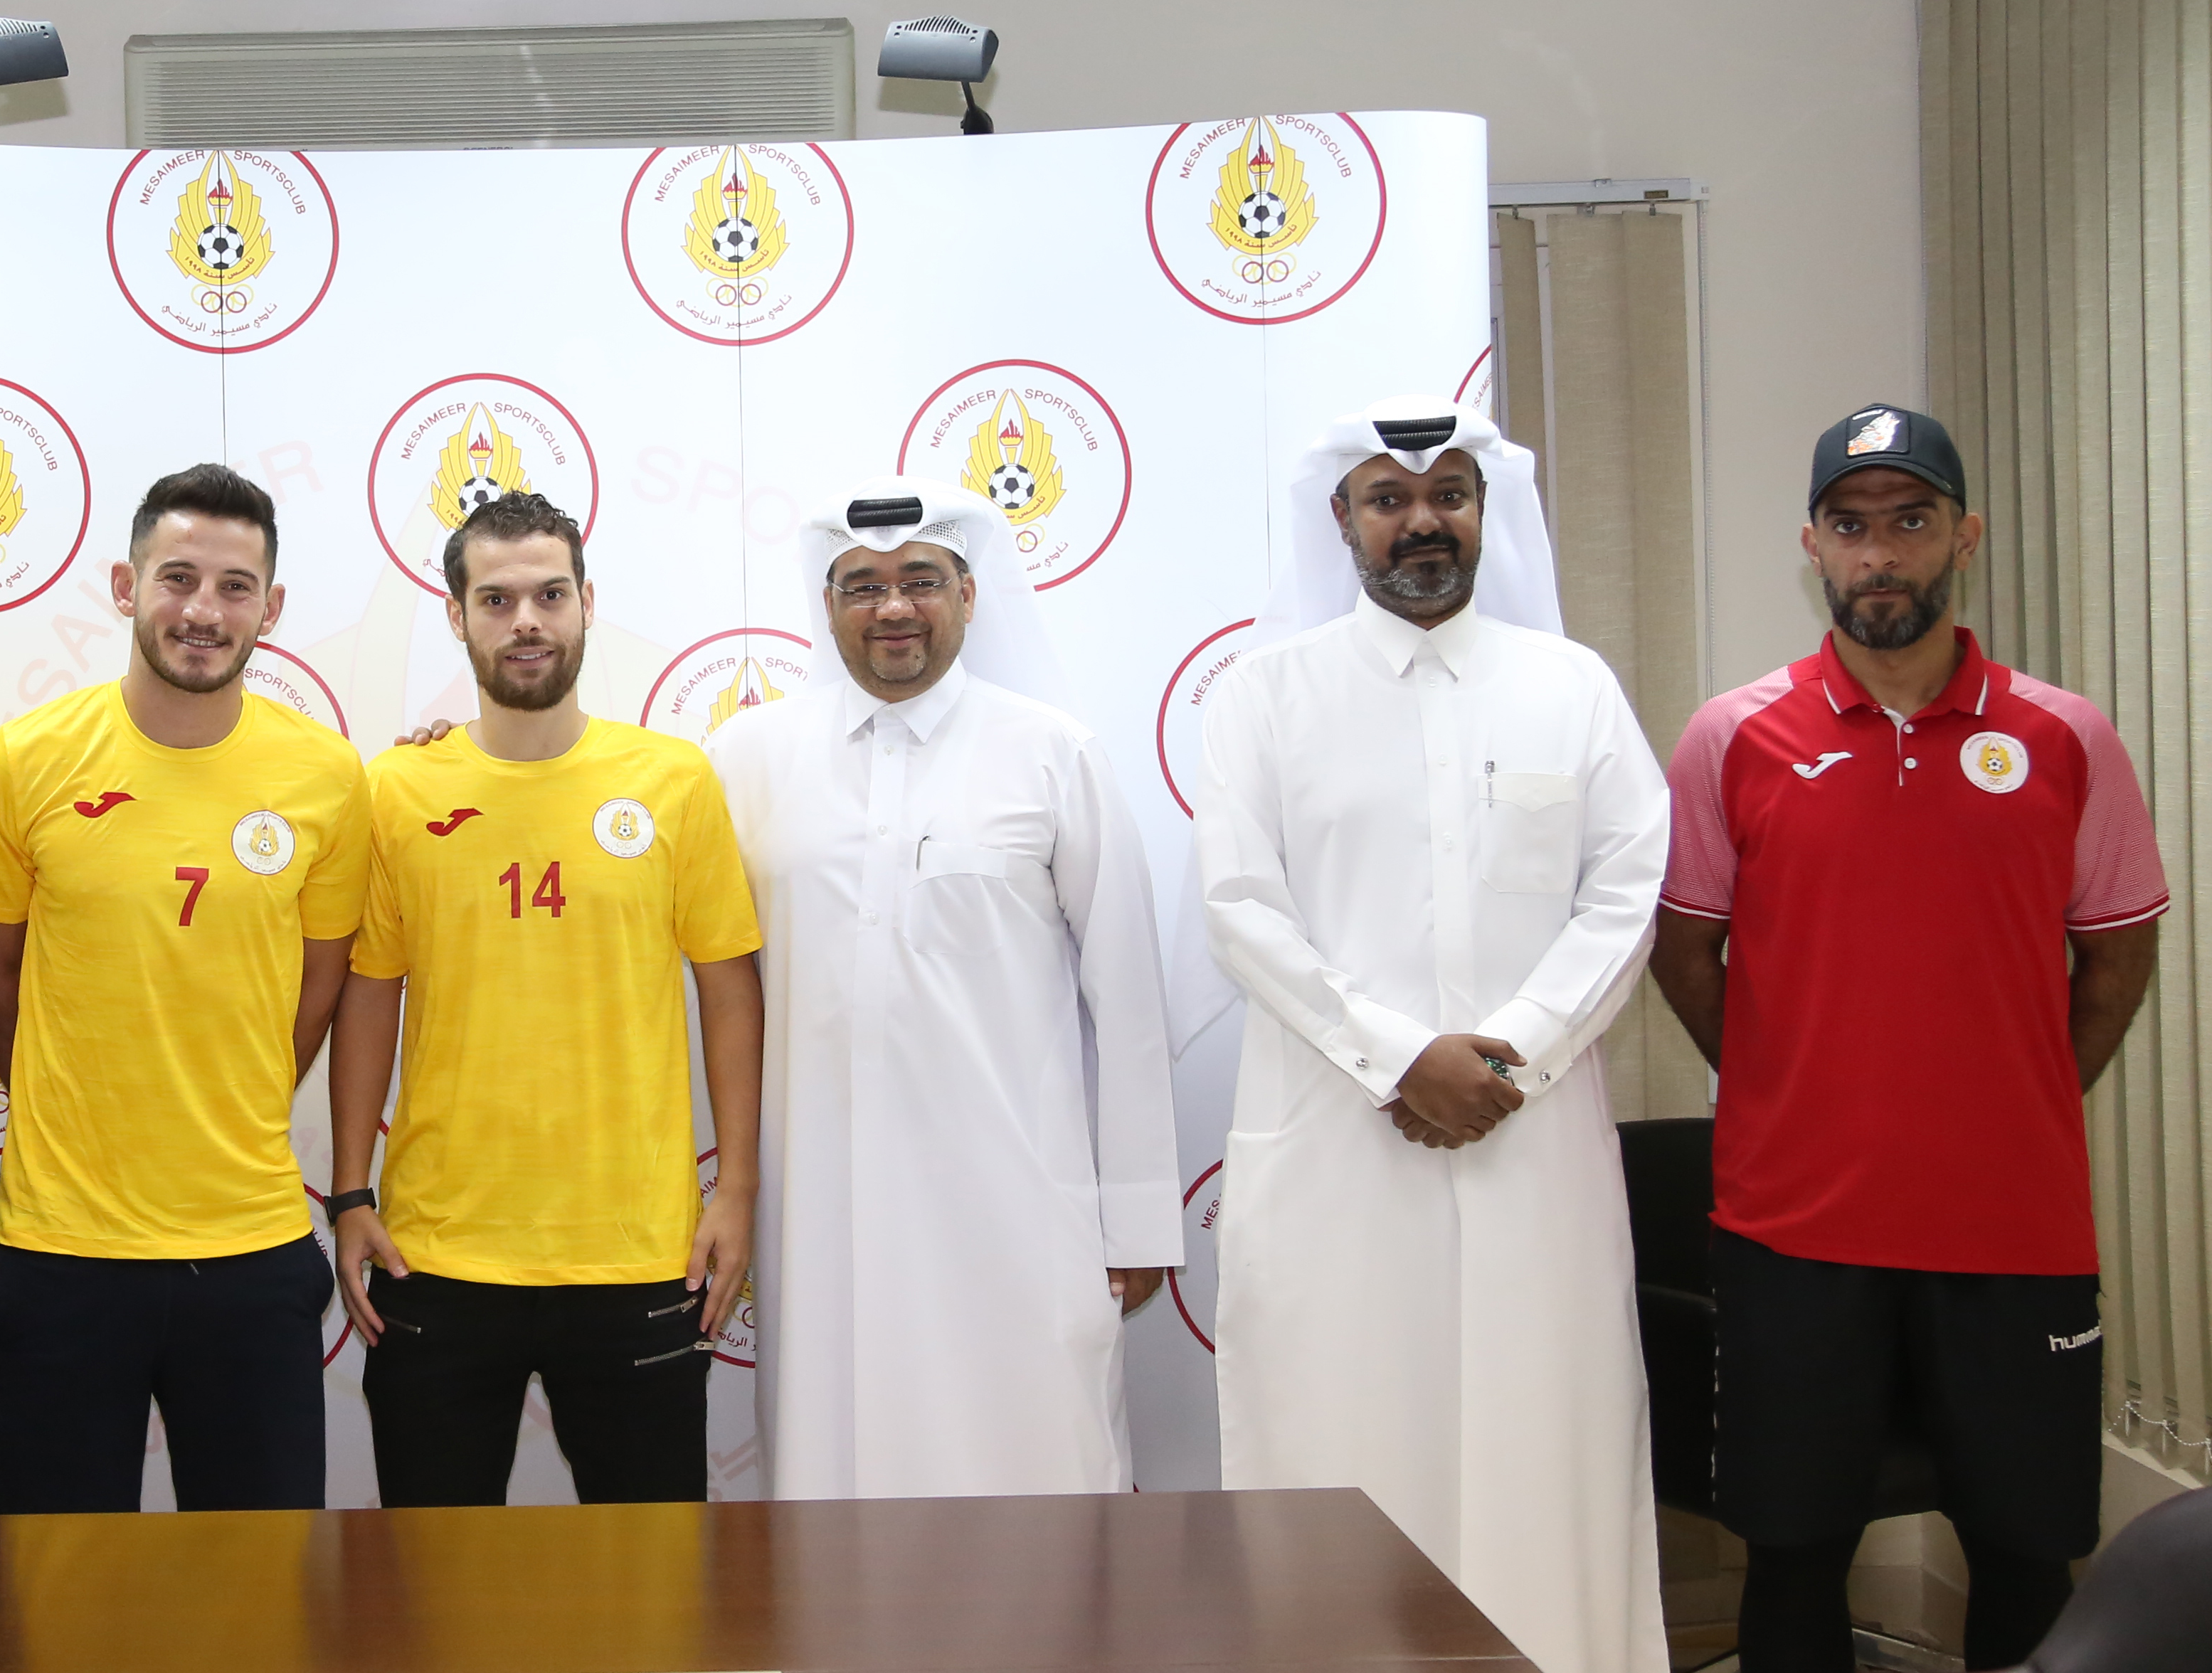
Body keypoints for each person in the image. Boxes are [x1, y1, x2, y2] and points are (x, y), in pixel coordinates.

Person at [1648, 404, 2165, 1673]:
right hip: (1793, 1234)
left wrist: (2023, 1098)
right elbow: (1685, 949)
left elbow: (2115, 957)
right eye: (1851, 526)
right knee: (1792, 1554)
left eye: (1911, 522)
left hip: (2015, 1233)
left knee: (2027, 1557)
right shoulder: (1731, 736)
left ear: (1963, 538)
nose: (1880, 554)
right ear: (1813, 546)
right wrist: (1787, 1082)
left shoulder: (2064, 735)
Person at [1195, 398, 1667, 1673]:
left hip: (1529, 1143)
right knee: (1341, 1440)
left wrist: (1508, 1053)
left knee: (1543, 1444)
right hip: (1339, 1145)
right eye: (1390, 498)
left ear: (1482, 512)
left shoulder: (1571, 687)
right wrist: (1404, 1059)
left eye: (1448, 495)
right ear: (1342, 518)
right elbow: (1240, 904)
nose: (1422, 521)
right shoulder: (1265, 696)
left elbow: (1628, 892)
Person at [702, 477, 1180, 1500]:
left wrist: (1138, 1219)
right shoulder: (746, 759)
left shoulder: (1051, 753)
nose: (894, 608)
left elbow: (1130, 1000)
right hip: (820, 1211)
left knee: (1033, 1472)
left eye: (921, 580)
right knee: (836, 1481)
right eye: (862, 586)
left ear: (968, 594)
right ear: (827, 605)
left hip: (1015, 1202)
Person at [326, 491, 766, 1507]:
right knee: (430, 1579)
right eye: (496, 599)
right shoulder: (397, 790)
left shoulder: (673, 780)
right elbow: (369, 994)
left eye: (549, 595)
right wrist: (350, 1194)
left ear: (586, 604)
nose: (526, 620)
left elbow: (730, 989)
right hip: (436, 1258)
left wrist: (736, 1188)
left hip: (637, 1258)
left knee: (655, 1580)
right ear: (456, 616)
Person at [0, 463, 366, 1513]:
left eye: (236, 587)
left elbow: (318, 991)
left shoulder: (328, 777)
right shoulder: (24, 762)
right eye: (178, 578)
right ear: (124, 585)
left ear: (271, 609)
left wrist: (230, 1096)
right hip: (64, 1249)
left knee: (260, 1581)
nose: (203, 611)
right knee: (55, 1578)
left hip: (252, 1248)